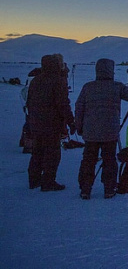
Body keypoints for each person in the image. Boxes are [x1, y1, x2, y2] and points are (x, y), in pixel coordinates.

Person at [75, 58, 128, 199]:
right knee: (109, 159)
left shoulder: (88, 87)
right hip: (110, 131)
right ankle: (109, 188)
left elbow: (79, 107)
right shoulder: (116, 86)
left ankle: (85, 189)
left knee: (88, 159)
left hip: (91, 131)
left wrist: (79, 126)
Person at [26, 54, 76, 191]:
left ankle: (34, 179)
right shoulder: (57, 81)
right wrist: (71, 121)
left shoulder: (36, 80)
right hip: (51, 124)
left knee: (37, 152)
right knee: (52, 153)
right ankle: (48, 181)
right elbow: (63, 104)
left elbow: (29, 102)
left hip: (36, 122)